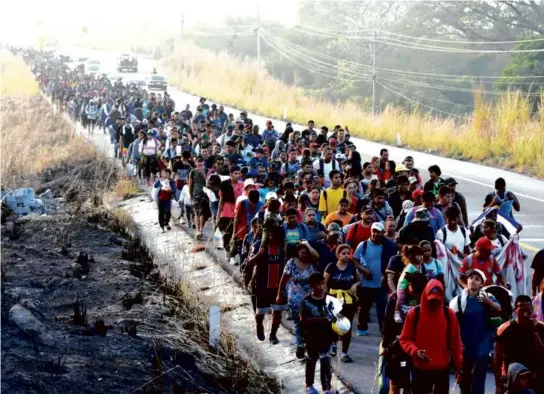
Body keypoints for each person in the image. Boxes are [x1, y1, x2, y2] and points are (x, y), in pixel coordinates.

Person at [399, 279, 463, 394]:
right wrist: (415, 351)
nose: (434, 302)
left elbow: (456, 342)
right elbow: (404, 339)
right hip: (420, 369)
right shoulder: (414, 313)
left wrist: (459, 365)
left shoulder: (449, 315)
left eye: (437, 300)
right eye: (431, 299)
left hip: (442, 369)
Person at [449, 269, 502, 394]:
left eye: (477, 279)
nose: (473, 281)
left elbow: (499, 308)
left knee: (478, 379)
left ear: (481, 284)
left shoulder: (488, 297)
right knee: (464, 379)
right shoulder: (457, 300)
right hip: (465, 344)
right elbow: (453, 323)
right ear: (467, 281)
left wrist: (488, 302)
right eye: (471, 278)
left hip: (482, 344)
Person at [382, 272, 427, 394]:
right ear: (408, 284)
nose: (415, 293)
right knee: (395, 381)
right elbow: (387, 322)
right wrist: (386, 344)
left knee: (410, 384)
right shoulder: (396, 298)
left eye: (419, 291)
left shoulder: (424, 299)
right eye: (413, 290)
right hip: (395, 343)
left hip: (414, 344)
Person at [276, 241, 319, 359]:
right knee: (298, 322)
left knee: (310, 322)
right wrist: (279, 294)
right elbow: (283, 279)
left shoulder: (312, 263)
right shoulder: (291, 262)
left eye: (306, 253)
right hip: (294, 296)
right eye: (301, 252)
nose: (303, 255)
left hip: (310, 296)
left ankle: (309, 344)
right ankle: (300, 345)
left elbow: (316, 256)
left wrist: (308, 246)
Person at [353, 222, 397, 336]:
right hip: (366, 283)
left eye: (379, 232)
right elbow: (355, 260)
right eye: (374, 231)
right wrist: (364, 270)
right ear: (371, 231)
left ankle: (383, 331)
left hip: (381, 283)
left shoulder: (389, 246)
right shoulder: (363, 245)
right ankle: (361, 328)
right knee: (363, 308)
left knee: (382, 309)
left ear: (383, 233)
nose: (376, 234)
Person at [494, 295, 544, 393]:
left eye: (528, 310)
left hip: (536, 373)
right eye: (522, 310)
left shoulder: (540, 327)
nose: (526, 314)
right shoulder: (505, 329)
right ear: (515, 310)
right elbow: (497, 358)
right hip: (515, 374)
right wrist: (498, 385)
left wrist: (535, 334)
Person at [247, 221, 287, 344]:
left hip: (278, 286)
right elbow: (250, 262)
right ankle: (259, 325)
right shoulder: (259, 245)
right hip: (262, 285)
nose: (272, 236)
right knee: (260, 312)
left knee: (278, 311)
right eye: (270, 234)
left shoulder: (282, 247)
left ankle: (273, 335)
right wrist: (259, 254)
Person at [324, 244, 360, 362]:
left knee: (347, 327)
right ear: (338, 254)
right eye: (343, 253)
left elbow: (359, 281)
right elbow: (324, 283)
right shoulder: (331, 267)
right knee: (333, 325)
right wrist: (324, 298)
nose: (346, 256)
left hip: (348, 300)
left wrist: (355, 285)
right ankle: (332, 346)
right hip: (333, 300)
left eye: (347, 253)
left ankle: (344, 353)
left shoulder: (352, 267)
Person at [300, 272, 334, 394]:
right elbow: (303, 320)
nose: (321, 286)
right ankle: (309, 385)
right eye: (318, 284)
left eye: (322, 283)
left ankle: (326, 387)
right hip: (311, 337)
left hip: (326, 336)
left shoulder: (329, 299)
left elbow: (335, 317)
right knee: (311, 361)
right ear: (311, 286)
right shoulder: (306, 301)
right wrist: (323, 319)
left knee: (325, 362)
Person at [188, 157, 211, 241]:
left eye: (201, 162)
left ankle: (201, 229)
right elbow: (190, 185)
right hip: (196, 195)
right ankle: (198, 231)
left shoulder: (207, 171)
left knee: (203, 213)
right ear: (196, 162)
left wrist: (203, 174)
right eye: (198, 162)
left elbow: (208, 184)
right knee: (197, 213)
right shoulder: (192, 172)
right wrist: (191, 197)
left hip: (205, 195)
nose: (200, 163)